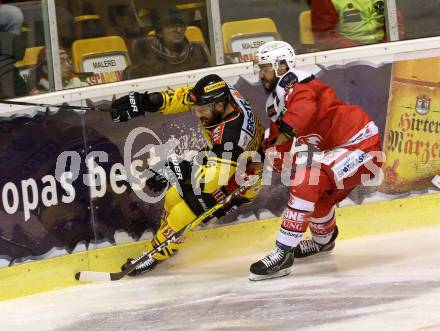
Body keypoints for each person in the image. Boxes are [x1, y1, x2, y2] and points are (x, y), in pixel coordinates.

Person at [249, 41, 383, 281]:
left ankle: (282, 253)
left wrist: (283, 135)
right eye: (258, 69)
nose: (260, 75)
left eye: (264, 68)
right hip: (344, 147)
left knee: (306, 181)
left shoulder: (295, 82)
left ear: (281, 66)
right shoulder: (276, 101)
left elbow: (303, 110)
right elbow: (279, 143)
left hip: (360, 142)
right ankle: (323, 241)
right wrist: (269, 154)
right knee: (315, 193)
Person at [110, 74, 265, 276]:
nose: (199, 114)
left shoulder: (232, 134)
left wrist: (177, 169)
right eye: (196, 110)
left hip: (240, 182)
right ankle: (170, 245)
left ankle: (154, 255)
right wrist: (145, 102)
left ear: (219, 106)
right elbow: (181, 98)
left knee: (182, 213)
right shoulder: (222, 96)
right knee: (172, 197)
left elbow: (211, 183)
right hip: (223, 161)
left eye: (203, 110)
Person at [125, 7, 210, 79]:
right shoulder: (146, 54)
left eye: (181, 25)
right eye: (171, 26)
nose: (178, 30)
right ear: (159, 32)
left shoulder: (196, 51)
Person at [310, 0, 404, 50]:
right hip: (345, 60)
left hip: (383, 52)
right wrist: (357, 51)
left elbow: (394, 21)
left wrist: (387, 46)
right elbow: (323, 36)